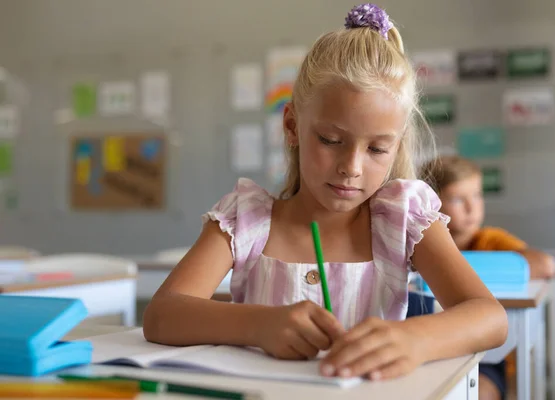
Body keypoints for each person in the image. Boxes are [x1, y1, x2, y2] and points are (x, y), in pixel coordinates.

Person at [143, 3, 508, 382]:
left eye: (377, 149)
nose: (351, 167)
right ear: (292, 125)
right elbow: (162, 315)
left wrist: (414, 340)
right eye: (331, 140)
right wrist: (259, 325)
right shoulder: (246, 220)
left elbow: (490, 317)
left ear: (397, 147)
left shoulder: (402, 221)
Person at [422, 154, 555, 399]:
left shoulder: (490, 240)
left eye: (477, 195)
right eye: (457, 198)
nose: (472, 207)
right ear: (432, 202)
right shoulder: (416, 243)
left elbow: (545, 265)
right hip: (429, 348)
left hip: (485, 353)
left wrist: (446, 265)